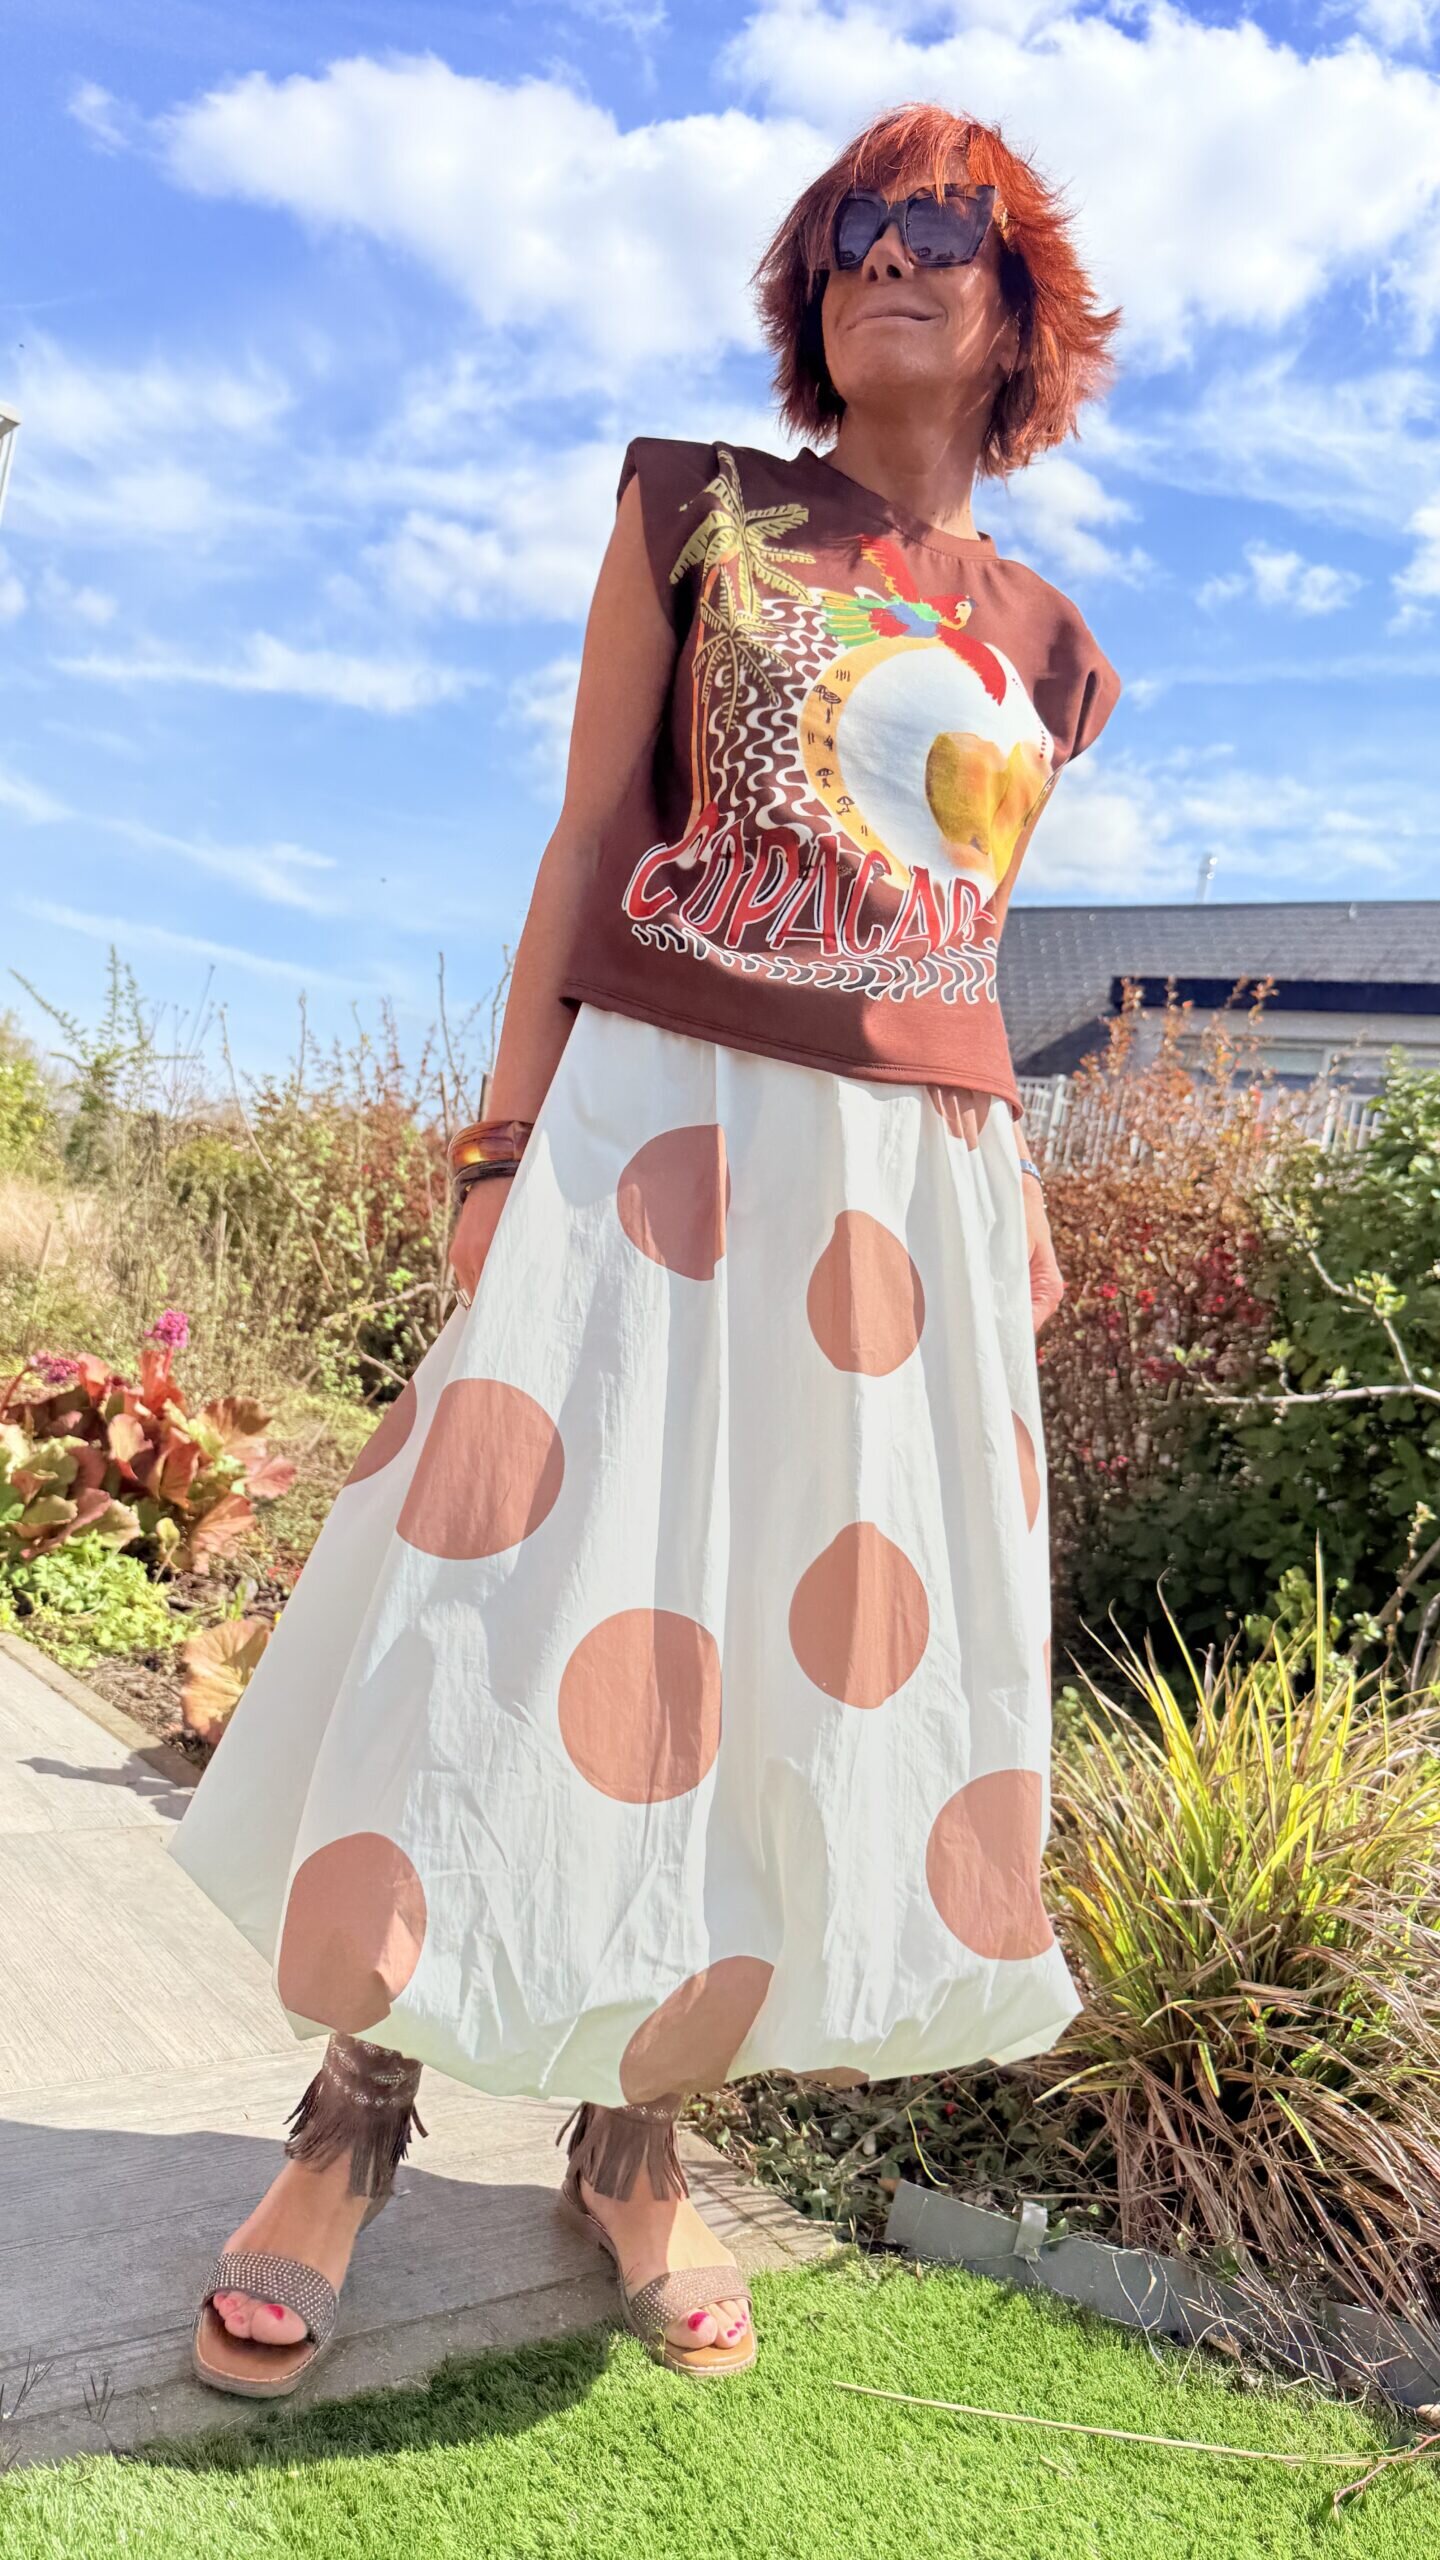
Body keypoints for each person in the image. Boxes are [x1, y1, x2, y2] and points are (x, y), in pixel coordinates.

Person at [173, 96, 1123, 2393]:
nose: (891, 251)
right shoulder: (699, 507)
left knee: (773, 1667)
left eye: (947, 224)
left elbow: (962, 927)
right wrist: (502, 1142)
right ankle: (356, 2110)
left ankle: (636, 2138)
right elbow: (591, 824)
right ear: (811, 284)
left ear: (1024, 305)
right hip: (657, 1119)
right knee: (501, 1597)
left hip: (904, 1188)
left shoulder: (1051, 645)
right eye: (855, 224)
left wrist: (1013, 1182)